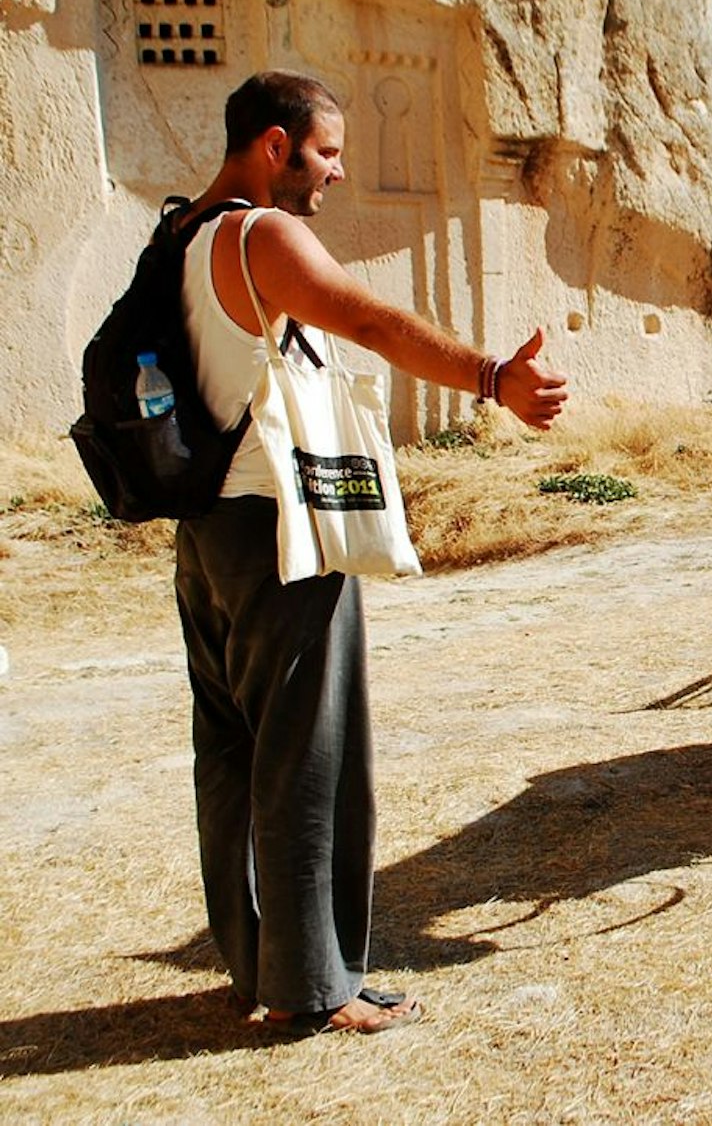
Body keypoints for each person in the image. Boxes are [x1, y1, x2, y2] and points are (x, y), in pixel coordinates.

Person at [174, 70, 569, 1034]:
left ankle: (257, 966)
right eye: (326, 152)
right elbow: (369, 320)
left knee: (231, 755)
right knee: (312, 759)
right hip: (279, 535)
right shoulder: (262, 234)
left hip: (211, 533)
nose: (338, 173)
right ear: (274, 146)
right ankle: (317, 987)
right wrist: (491, 379)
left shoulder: (182, 234)